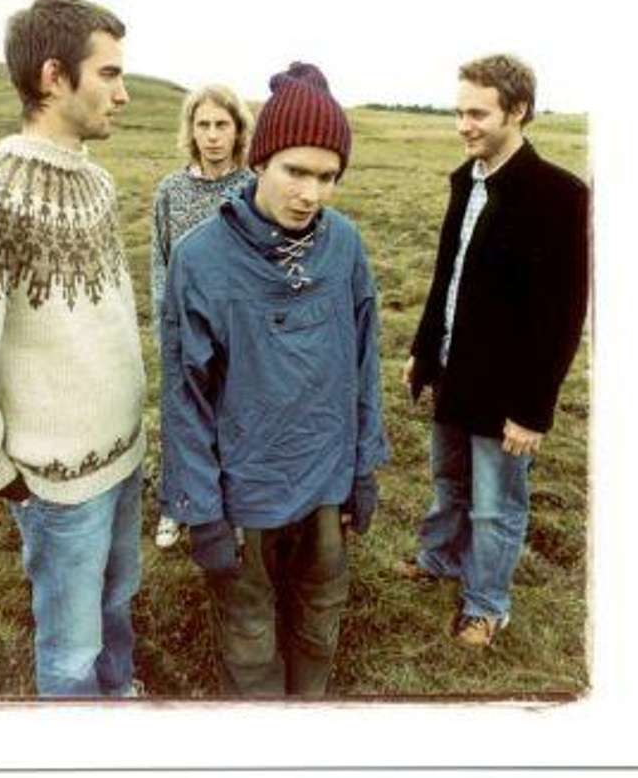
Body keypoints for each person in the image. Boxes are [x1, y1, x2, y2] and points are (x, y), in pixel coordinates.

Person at [0, 0, 148, 697]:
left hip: (123, 457)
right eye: (109, 74)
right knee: (70, 651)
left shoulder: (96, 182)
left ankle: (119, 699)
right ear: (54, 77)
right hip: (56, 485)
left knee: (117, 604)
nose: (122, 93)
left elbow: (110, 319)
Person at [160, 62, 389, 697]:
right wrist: (201, 510)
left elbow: (365, 363)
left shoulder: (345, 246)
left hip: (325, 479)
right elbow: (184, 397)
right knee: (249, 633)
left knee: (319, 617)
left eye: (327, 177)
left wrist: (363, 468)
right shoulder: (200, 259)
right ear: (260, 160)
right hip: (246, 489)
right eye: (296, 171)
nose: (310, 193)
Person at [401, 53, 589, 648]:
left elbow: (564, 315)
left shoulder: (560, 195)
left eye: (478, 114)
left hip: (508, 391)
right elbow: (448, 275)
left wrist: (534, 411)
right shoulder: (468, 179)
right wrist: (423, 350)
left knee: (495, 504)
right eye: (459, 112)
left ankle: (486, 604)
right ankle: (440, 560)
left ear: (518, 110)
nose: (464, 125)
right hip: (453, 372)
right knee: (448, 481)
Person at [150, 84, 253, 549]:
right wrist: (166, 326)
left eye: (221, 125)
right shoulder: (170, 191)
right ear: (191, 130)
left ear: (238, 130)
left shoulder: (252, 188)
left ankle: (232, 508)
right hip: (183, 326)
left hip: (236, 328)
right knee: (182, 417)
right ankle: (177, 505)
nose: (212, 135)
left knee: (231, 419)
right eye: (203, 125)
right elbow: (160, 260)